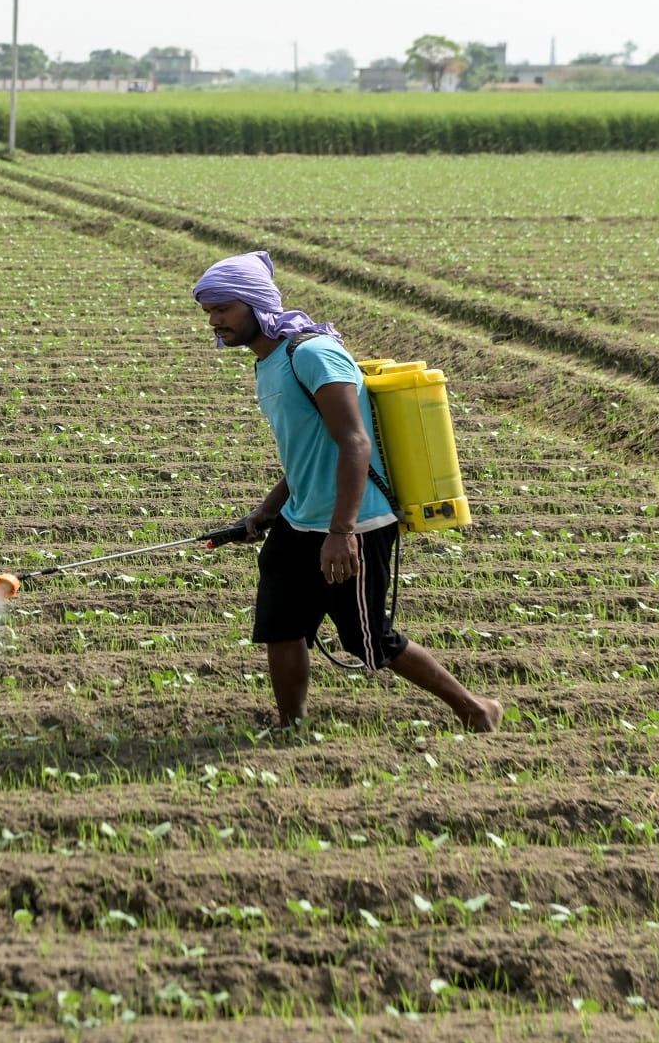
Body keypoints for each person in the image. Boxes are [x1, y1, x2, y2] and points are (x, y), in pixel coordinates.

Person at [193, 251, 501, 733]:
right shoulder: (267, 364)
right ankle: (290, 724)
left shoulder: (311, 354)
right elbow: (309, 454)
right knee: (281, 625)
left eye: (224, 309)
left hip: (354, 521)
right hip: (300, 520)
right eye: (209, 311)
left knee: (367, 639)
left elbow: (355, 442)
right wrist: (267, 511)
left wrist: (342, 532)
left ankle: (475, 708)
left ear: (255, 304)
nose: (214, 321)